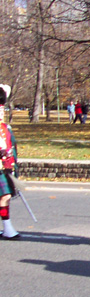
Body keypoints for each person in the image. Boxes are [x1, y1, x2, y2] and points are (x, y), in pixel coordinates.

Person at [0, 84, 20, 239]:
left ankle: (7, 228)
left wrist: (11, 165)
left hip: (4, 168)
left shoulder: (6, 127)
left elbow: (12, 147)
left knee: (5, 196)